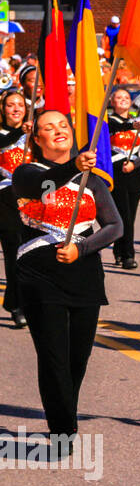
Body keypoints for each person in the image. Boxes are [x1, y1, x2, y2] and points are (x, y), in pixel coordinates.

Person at [11, 111, 122, 439]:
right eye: (48, 127)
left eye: (63, 125)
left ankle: (64, 415)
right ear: (37, 139)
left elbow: (115, 225)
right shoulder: (26, 173)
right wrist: (75, 166)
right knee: (54, 356)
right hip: (39, 274)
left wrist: (82, 249)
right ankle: (63, 429)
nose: (58, 130)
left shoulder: (92, 180)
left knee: (77, 358)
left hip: (85, 274)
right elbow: (45, 185)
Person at [0, 89, 31, 326]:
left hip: (33, 201)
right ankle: (17, 305)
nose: (16, 109)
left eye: (20, 104)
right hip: (5, 200)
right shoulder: (3, 133)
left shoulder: (34, 134)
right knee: (14, 254)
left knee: (31, 254)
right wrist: (19, 133)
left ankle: (18, 300)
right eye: (11, 105)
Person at [106, 88, 140, 270]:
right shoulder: (107, 122)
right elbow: (115, 129)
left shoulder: (137, 123)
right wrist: (132, 127)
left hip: (134, 175)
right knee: (123, 216)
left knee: (131, 217)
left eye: (126, 98)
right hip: (116, 174)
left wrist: (134, 165)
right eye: (118, 97)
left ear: (131, 102)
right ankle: (128, 255)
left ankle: (119, 250)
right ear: (112, 102)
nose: (123, 100)